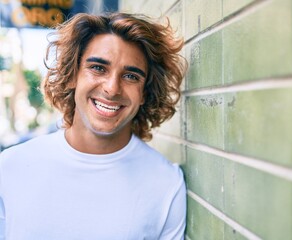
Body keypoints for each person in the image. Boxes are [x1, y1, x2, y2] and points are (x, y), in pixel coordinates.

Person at [0, 12, 187, 239]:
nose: (112, 88)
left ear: (144, 93)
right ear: (72, 75)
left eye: (130, 76)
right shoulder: (9, 169)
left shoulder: (166, 184)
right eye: (98, 68)